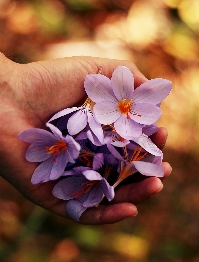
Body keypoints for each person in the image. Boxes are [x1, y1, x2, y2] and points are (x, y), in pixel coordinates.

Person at [0, 52, 171, 224]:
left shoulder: (119, 125)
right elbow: (102, 112)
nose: (126, 106)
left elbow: (124, 128)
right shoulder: (101, 117)